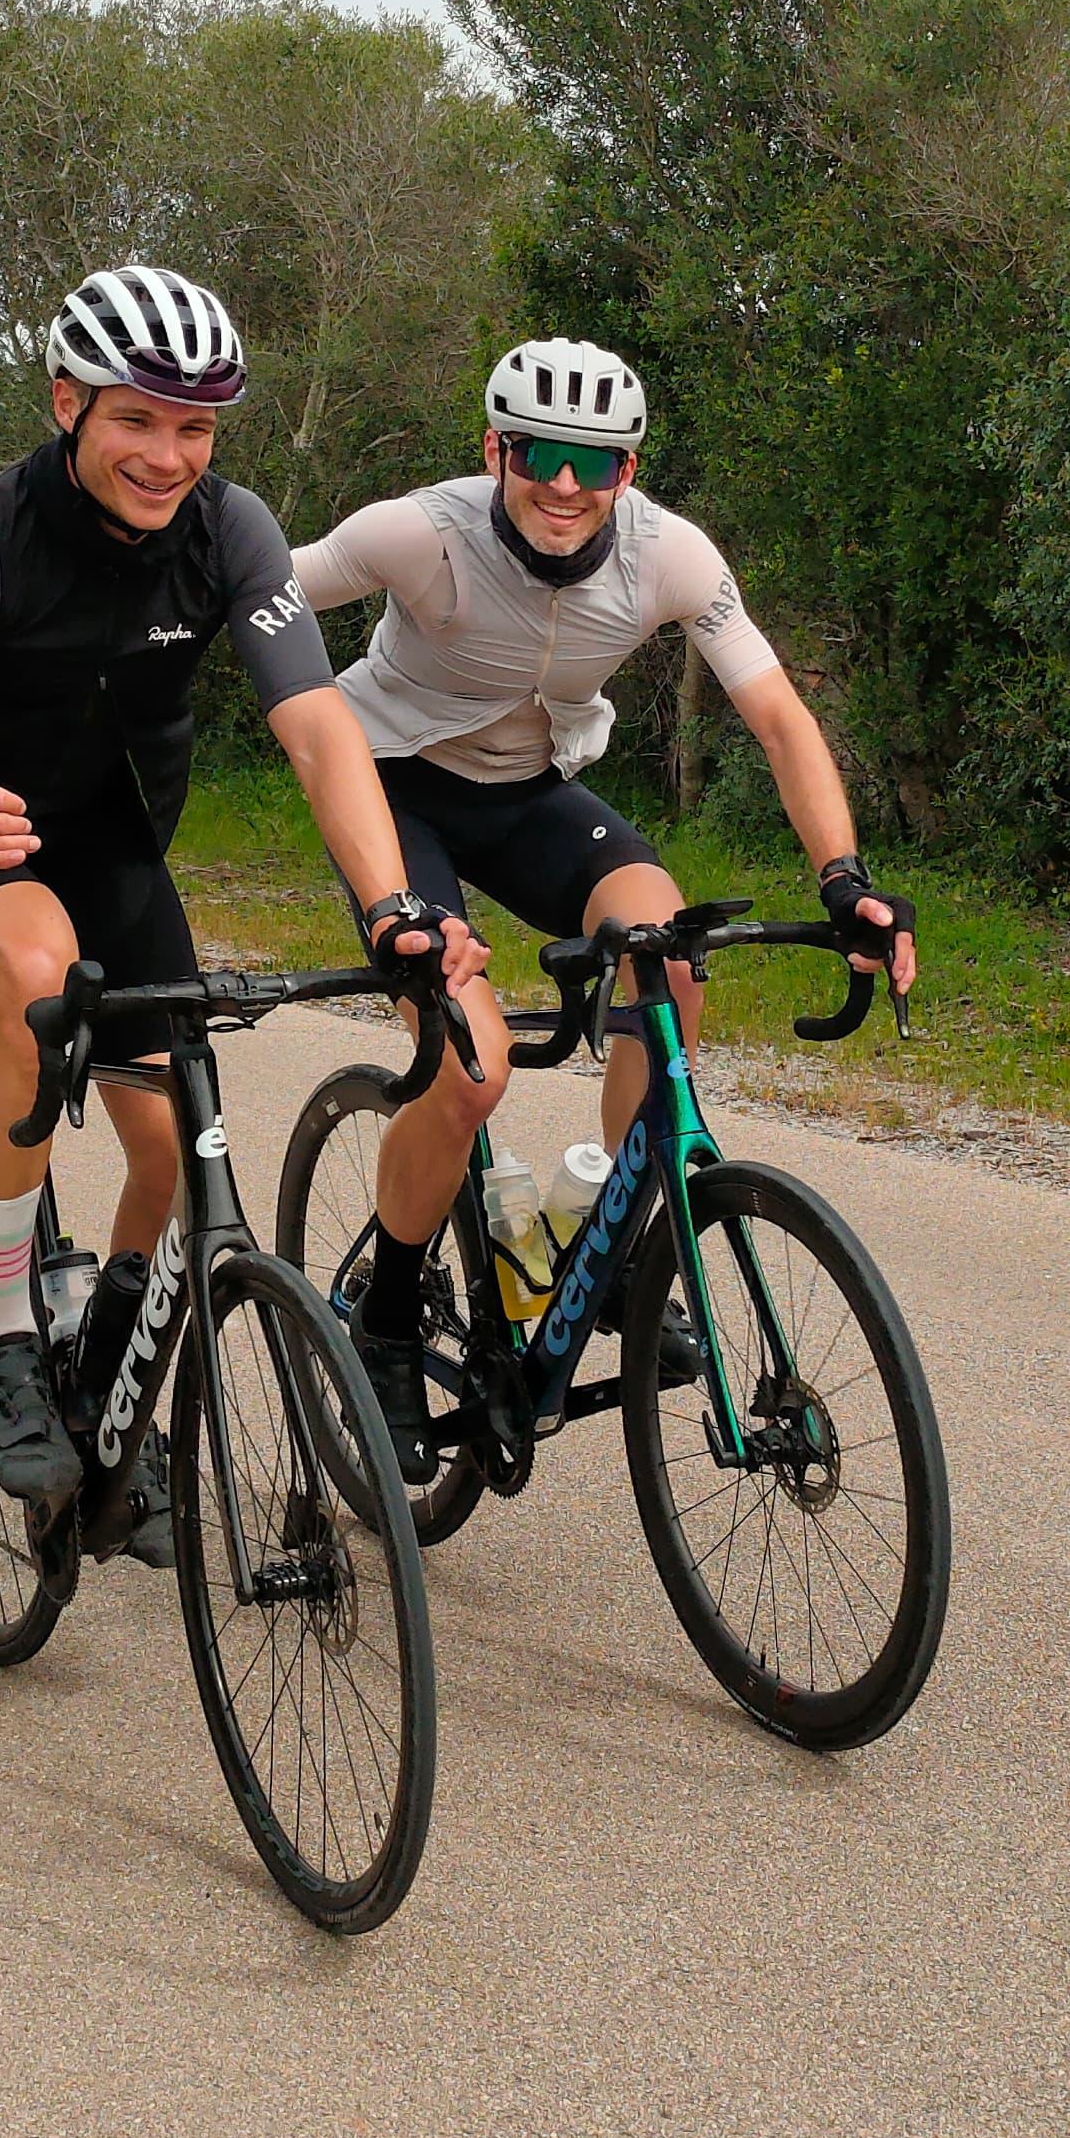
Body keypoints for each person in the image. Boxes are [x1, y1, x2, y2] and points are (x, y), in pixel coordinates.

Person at [0, 263, 475, 1559]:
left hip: (109, 838)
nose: (167, 455)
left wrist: (393, 907)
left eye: (195, 427)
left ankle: (109, 1398)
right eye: (137, 419)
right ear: (68, 402)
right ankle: (3, 1338)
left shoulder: (231, 533)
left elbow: (318, 732)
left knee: (169, 1154)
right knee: (30, 968)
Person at [290, 337, 914, 1410]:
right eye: (538, 452)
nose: (565, 485)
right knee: (470, 1067)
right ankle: (386, 1324)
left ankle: (620, 1254)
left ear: (628, 469)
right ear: (495, 449)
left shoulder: (669, 555)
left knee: (668, 964)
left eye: (597, 462)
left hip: (531, 793)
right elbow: (261, 606)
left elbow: (776, 717)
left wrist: (842, 878)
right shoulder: (412, 534)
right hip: (393, 791)